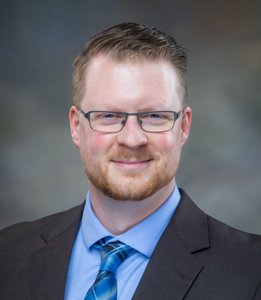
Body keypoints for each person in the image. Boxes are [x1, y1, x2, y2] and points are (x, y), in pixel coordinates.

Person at [0, 22, 261, 300]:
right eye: (109, 116)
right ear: (77, 127)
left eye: (155, 116)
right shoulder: (7, 254)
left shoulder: (252, 272)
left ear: (183, 127)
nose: (132, 139)